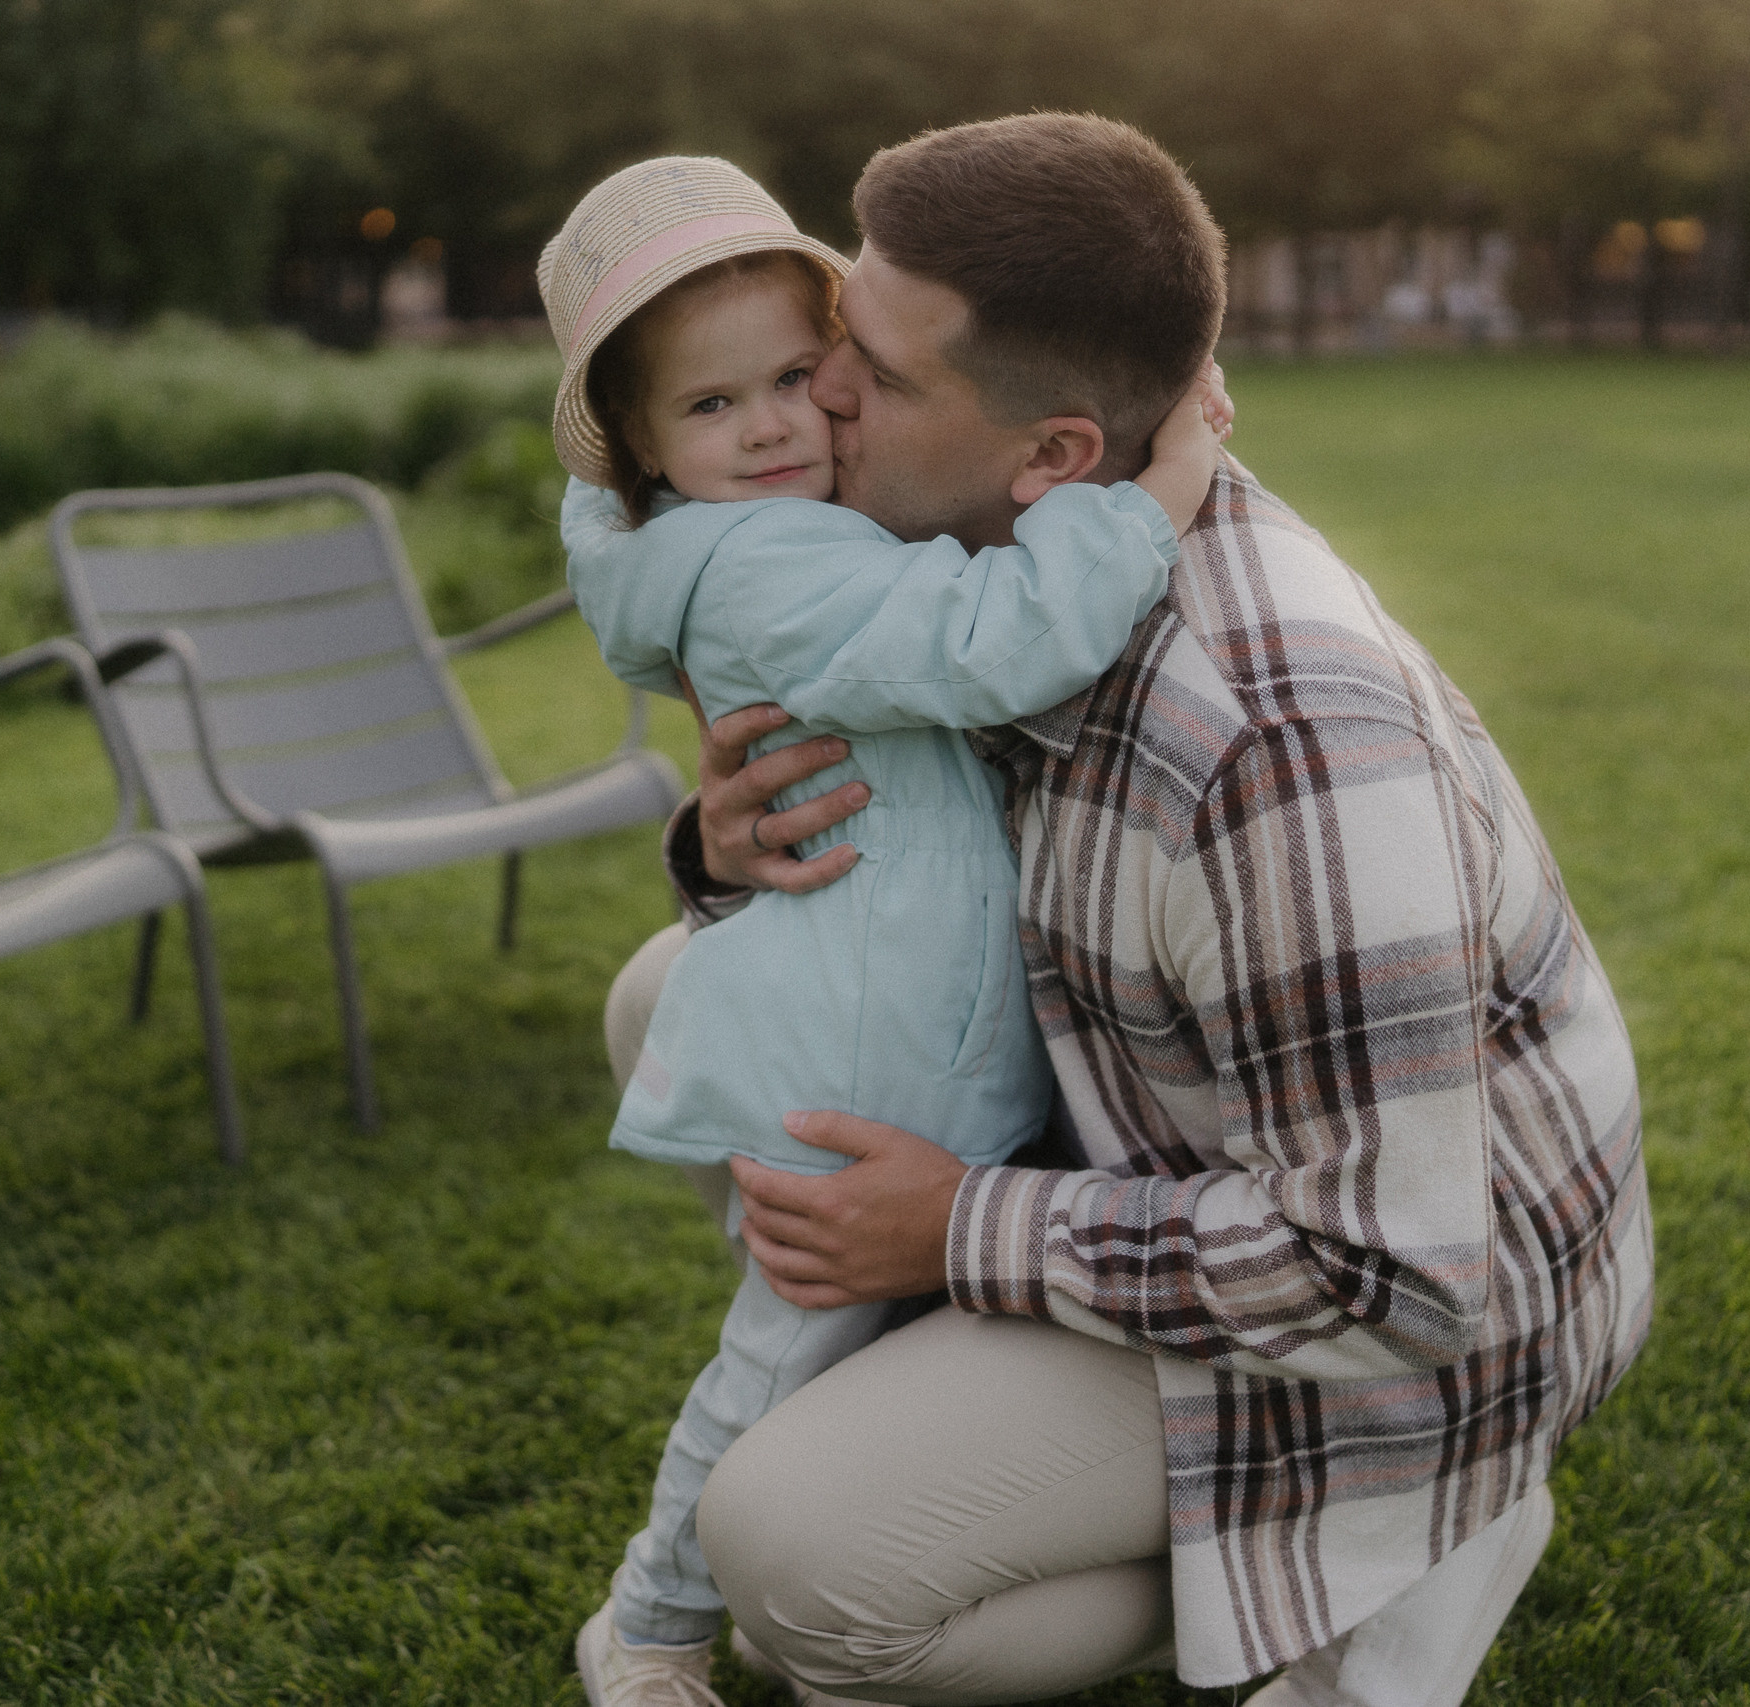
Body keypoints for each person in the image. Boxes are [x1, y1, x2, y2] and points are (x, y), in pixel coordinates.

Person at [601, 114, 1655, 1707]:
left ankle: (1402, 1545)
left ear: (1060, 456)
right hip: (1144, 1140)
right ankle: (944, 1442)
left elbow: (1396, 1275)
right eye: (836, 337)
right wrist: (730, 855)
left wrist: (959, 1226)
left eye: (868, 376)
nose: (812, 397)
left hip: (1424, 1317)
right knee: (658, 994)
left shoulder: (1278, 752)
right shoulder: (965, 558)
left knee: (798, 1575)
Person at [535, 155, 1229, 1707]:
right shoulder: (778, 559)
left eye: (798, 370)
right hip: (878, 1057)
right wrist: (1154, 495)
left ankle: (856, 1474)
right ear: (646, 452)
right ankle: (649, 1630)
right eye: (715, 410)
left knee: (810, 1343)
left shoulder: (722, 531)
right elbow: (994, 644)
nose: (782, 422)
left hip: (880, 1004)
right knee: (783, 1349)